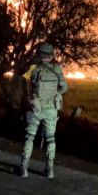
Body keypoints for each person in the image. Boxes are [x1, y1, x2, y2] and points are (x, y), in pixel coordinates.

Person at [20, 43, 68, 179]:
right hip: (51, 109)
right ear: (51, 55)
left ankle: (24, 169)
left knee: (29, 137)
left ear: (39, 54)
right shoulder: (57, 69)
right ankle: (50, 171)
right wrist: (56, 94)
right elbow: (64, 88)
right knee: (51, 139)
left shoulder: (33, 68)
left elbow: (24, 81)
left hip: (36, 107)